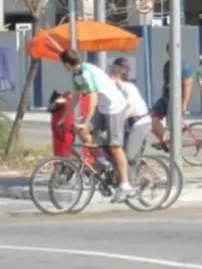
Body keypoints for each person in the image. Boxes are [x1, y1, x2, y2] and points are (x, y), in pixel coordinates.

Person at [57, 49, 134, 202]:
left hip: (114, 108)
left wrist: (86, 120)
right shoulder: (77, 75)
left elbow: (92, 100)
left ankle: (125, 185)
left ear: (66, 64)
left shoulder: (87, 73)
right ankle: (103, 162)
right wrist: (64, 118)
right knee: (82, 130)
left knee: (114, 146)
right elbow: (75, 97)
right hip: (103, 108)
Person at [150, 43, 193, 151]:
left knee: (173, 124)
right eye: (169, 50)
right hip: (166, 97)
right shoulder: (167, 65)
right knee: (151, 117)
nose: (171, 52)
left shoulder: (183, 65)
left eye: (173, 49)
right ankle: (164, 141)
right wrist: (162, 97)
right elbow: (166, 82)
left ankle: (174, 147)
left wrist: (184, 104)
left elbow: (188, 85)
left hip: (176, 99)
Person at [110, 58, 152, 165]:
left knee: (129, 157)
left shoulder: (128, 87)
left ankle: (133, 180)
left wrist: (119, 120)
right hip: (133, 125)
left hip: (139, 123)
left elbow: (132, 108)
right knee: (129, 153)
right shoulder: (119, 89)